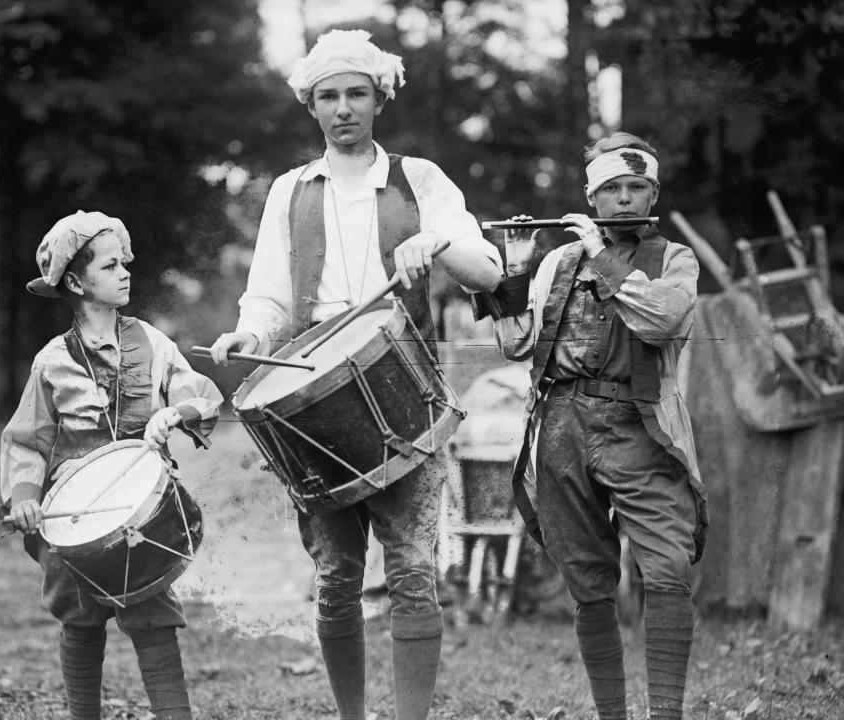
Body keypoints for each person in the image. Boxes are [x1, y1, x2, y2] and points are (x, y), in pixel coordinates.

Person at [209, 29, 502, 720]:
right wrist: (249, 333)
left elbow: (488, 270)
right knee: (337, 575)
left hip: (406, 384)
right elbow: (269, 296)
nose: (344, 108)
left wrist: (438, 240)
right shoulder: (289, 190)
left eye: (357, 94)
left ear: (379, 100)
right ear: (311, 105)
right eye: (329, 96)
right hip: (313, 391)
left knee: (411, 570)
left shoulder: (419, 179)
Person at [479, 132, 709, 720]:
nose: (626, 200)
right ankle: (612, 714)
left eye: (637, 188)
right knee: (586, 578)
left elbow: (662, 320)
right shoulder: (559, 260)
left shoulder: (674, 258)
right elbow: (515, 345)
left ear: (653, 192)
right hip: (561, 425)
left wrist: (603, 258)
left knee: (667, 566)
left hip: (640, 427)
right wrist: (514, 267)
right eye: (612, 189)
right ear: (592, 195)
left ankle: (666, 714)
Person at [0, 210, 223, 720]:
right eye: (110, 265)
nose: (125, 272)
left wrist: (176, 412)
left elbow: (199, 394)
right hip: (75, 517)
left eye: (125, 262)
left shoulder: (152, 342)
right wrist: (26, 497)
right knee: (79, 619)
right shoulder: (52, 361)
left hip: (141, 511)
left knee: (154, 619)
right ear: (76, 282)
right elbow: (26, 441)